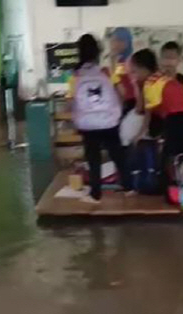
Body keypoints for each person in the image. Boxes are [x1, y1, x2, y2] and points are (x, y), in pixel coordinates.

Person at [70, 34, 133, 204]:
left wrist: (77, 119)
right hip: (109, 121)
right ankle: (128, 188)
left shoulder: (75, 75)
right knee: (118, 154)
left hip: (87, 123)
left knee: (93, 158)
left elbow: (72, 100)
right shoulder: (106, 71)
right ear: (98, 52)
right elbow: (122, 92)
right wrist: (117, 110)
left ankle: (95, 195)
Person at [130, 48, 183, 189]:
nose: (133, 75)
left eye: (135, 71)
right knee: (180, 151)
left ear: (144, 70)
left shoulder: (150, 84)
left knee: (170, 153)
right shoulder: (159, 77)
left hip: (178, 114)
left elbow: (148, 112)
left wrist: (140, 134)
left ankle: (168, 186)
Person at [108, 27, 138, 114]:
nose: (115, 44)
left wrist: (112, 64)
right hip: (117, 104)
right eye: (113, 40)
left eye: (119, 40)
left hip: (130, 104)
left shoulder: (131, 62)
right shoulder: (117, 61)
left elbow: (122, 90)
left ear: (127, 42)